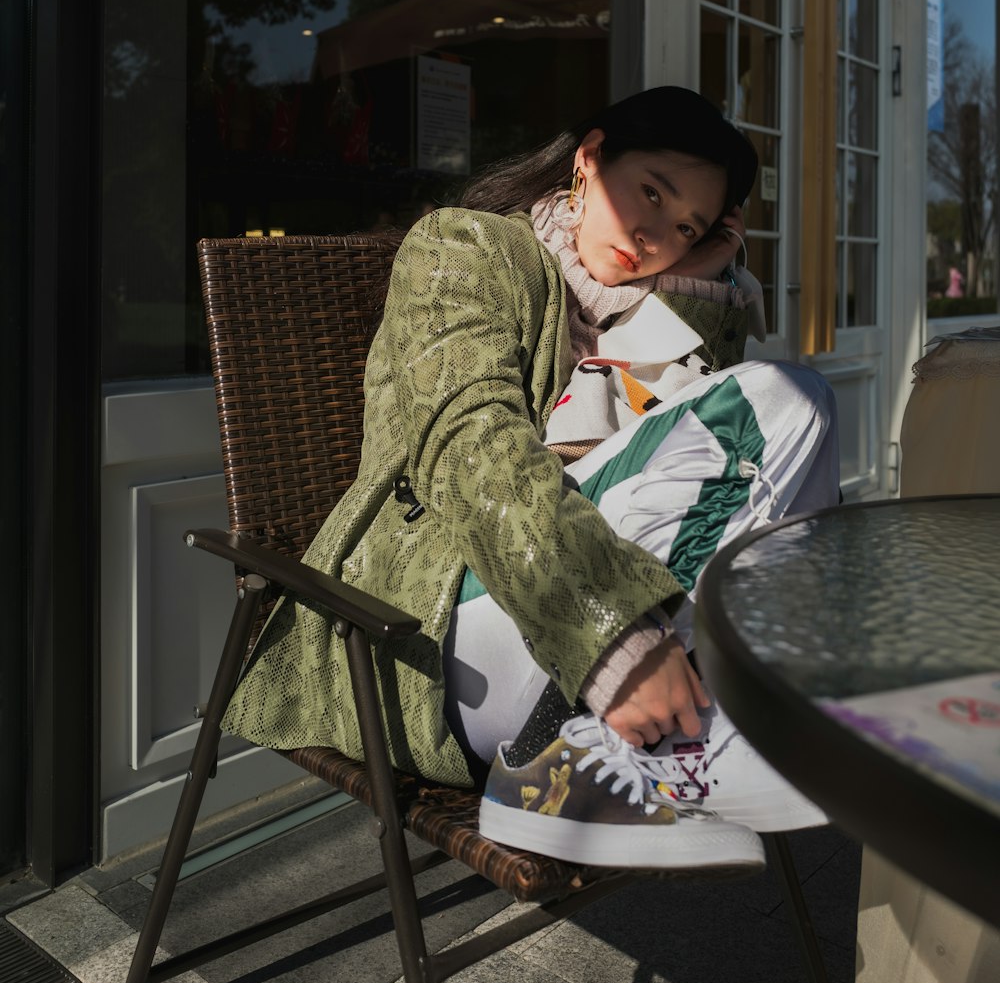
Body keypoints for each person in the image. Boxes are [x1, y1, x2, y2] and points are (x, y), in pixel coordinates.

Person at [223, 86, 839, 873]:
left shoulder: (652, 306)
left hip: (569, 632)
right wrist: (614, 640)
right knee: (786, 398)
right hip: (428, 636)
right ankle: (568, 759)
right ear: (588, 159)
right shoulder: (466, 246)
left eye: (684, 227)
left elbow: (712, 491)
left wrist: (697, 291)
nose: (654, 236)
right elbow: (468, 445)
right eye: (650, 192)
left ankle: (615, 749)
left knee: (771, 423)